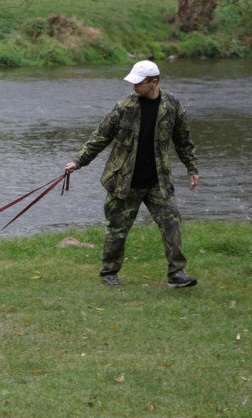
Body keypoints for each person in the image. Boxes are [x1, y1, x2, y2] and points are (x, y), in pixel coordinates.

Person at [65, 59, 200, 288]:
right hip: (124, 181)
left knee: (172, 224)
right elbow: (100, 137)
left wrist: (191, 168)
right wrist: (78, 162)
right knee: (117, 229)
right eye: (133, 82)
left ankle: (177, 274)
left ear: (153, 82)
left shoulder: (173, 106)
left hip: (158, 180)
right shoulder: (124, 107)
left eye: (139, 83)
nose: (134, 87)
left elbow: (183, 141)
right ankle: (109, 272)